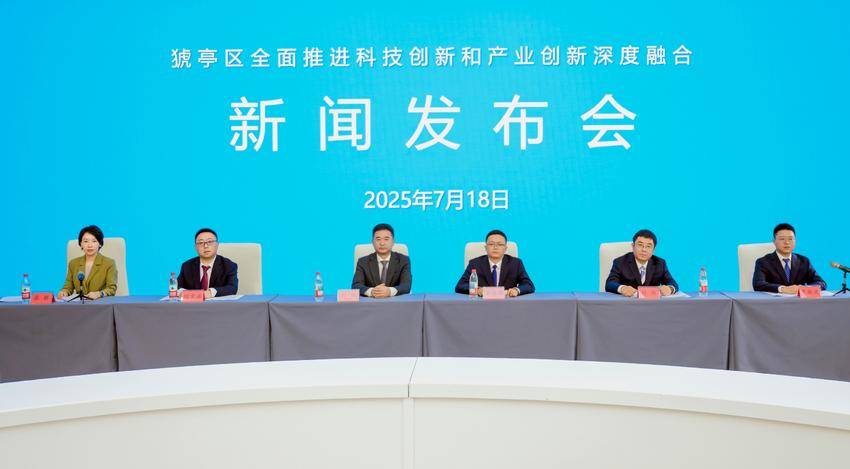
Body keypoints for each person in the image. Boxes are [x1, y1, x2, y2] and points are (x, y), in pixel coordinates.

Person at [455, 229, 534, 297]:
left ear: (505, 248)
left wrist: (516, 290)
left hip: (508, 304)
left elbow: (529, 285)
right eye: (491, 244)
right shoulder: (475, 263)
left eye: (500, 244)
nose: (495, 247)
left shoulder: (516, 263)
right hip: (482, 304)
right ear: (486, 247)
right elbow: (460, 286)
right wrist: (477, 290)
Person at [753, 223, 826, 293]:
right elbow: (758, 284)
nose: (787, 242)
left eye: (790, 239)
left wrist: (804, 288)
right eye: (782, 239)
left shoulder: (804, 261)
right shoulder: (763, 262)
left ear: (795, 241)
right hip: (774, 301)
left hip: (799, 301)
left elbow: (821, 283)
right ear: (774, 241)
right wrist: (783, 289)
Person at [606, 229, 678, 297]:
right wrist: (622, 288)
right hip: (628, 302)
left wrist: (670, 289)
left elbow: (672, 283)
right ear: (633, 246)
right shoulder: (620, 262)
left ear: (654, 250)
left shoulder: (660, 263)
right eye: (640, 245)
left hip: (651, 303)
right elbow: (609, 284)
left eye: (648, 246)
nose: (644, 250)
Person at [57, 225, 118, 300]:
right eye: (85, 241)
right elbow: (68, 287)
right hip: (80, 305)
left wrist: (99, 294)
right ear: (81, 244)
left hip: (100, 304)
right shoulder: (73, 264)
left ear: (100, 244)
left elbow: (112, 289)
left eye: (94, 241)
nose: (89, 245)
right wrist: (64, 292)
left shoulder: (109, 263)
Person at [352, 223, 412, 297]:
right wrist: (372, 291)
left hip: (395, 302)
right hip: (371, 302)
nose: (382, 243)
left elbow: (406, 286)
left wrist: (389, 291)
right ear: (372, 242)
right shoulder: (363, 262)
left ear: (393, 241)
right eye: (378, 239)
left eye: (386, 239)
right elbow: (356, 285)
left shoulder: (403, 260)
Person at [177, 228, 238, 298]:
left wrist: (210, 293)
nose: (205, 246)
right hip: (193, 304)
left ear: (217, 244)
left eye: (210, 241)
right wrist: (182, 292)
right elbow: (178, 287)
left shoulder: (229, 265)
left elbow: (232, 288)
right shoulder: (187, 266)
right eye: (201, 243)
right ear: (196, 247)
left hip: (218, 304)